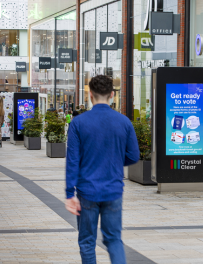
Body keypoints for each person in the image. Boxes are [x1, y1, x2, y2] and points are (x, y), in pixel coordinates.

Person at [65, 75, 140, 264]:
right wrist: (113, 161)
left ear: (90, 95)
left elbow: (73, 160)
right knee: (114, 239)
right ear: (112, 95)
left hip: (87, 191)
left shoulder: (78, 123)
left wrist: (69, 193)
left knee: (87, 242)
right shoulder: (124, 122)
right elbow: (133, 155)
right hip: (113, 190)